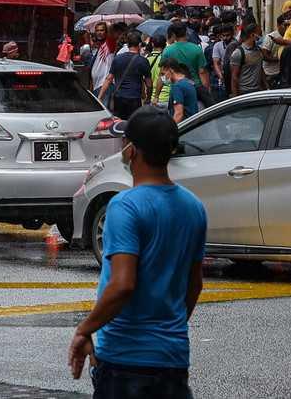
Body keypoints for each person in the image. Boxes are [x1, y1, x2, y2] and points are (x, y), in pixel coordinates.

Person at [69, 106, 206, 398]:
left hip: (125, 362)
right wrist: (169, 331)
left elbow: (122, 285)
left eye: (124, 142)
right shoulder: (194, 207)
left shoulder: (125, 206)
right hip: (173, 359)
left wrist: (84, 329)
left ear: (133, 151)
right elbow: (194, 284)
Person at [104, 32, 148, 120]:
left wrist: (100, 97)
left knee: (119, 123)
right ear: (139, 44)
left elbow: (109, 79)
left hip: (119, 98)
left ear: (127, 45)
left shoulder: (117, 58)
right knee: (133, 124)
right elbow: (149, 83)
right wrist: (149, 97)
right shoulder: (143, 61)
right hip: (134, 98)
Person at [159, 25, 210, 97]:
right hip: (195, 88)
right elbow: (202, 72)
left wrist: (156, 96)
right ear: (186, 33)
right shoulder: (196, 49)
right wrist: (206, 91)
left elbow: (162, 74)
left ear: (173, 35)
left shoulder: (167, 51)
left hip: (177, 88)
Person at [228, 22, 267, 97]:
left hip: (258, 91)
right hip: (244, 93)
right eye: (260, 33)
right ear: (252, 35)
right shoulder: (239, 53)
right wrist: (236, 97)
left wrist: (266, 86)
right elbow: (234, 77)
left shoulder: (258, 50)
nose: (261, 36)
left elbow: (260, 69)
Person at [263, 13, 290, 89]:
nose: (287, 28)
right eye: (285, 25)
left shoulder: (289, 37)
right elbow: (264, 55)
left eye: (289, 25)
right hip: (271, 73)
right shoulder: (270, 37)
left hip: (282, 74)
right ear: (278, 25)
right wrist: (279, 59)